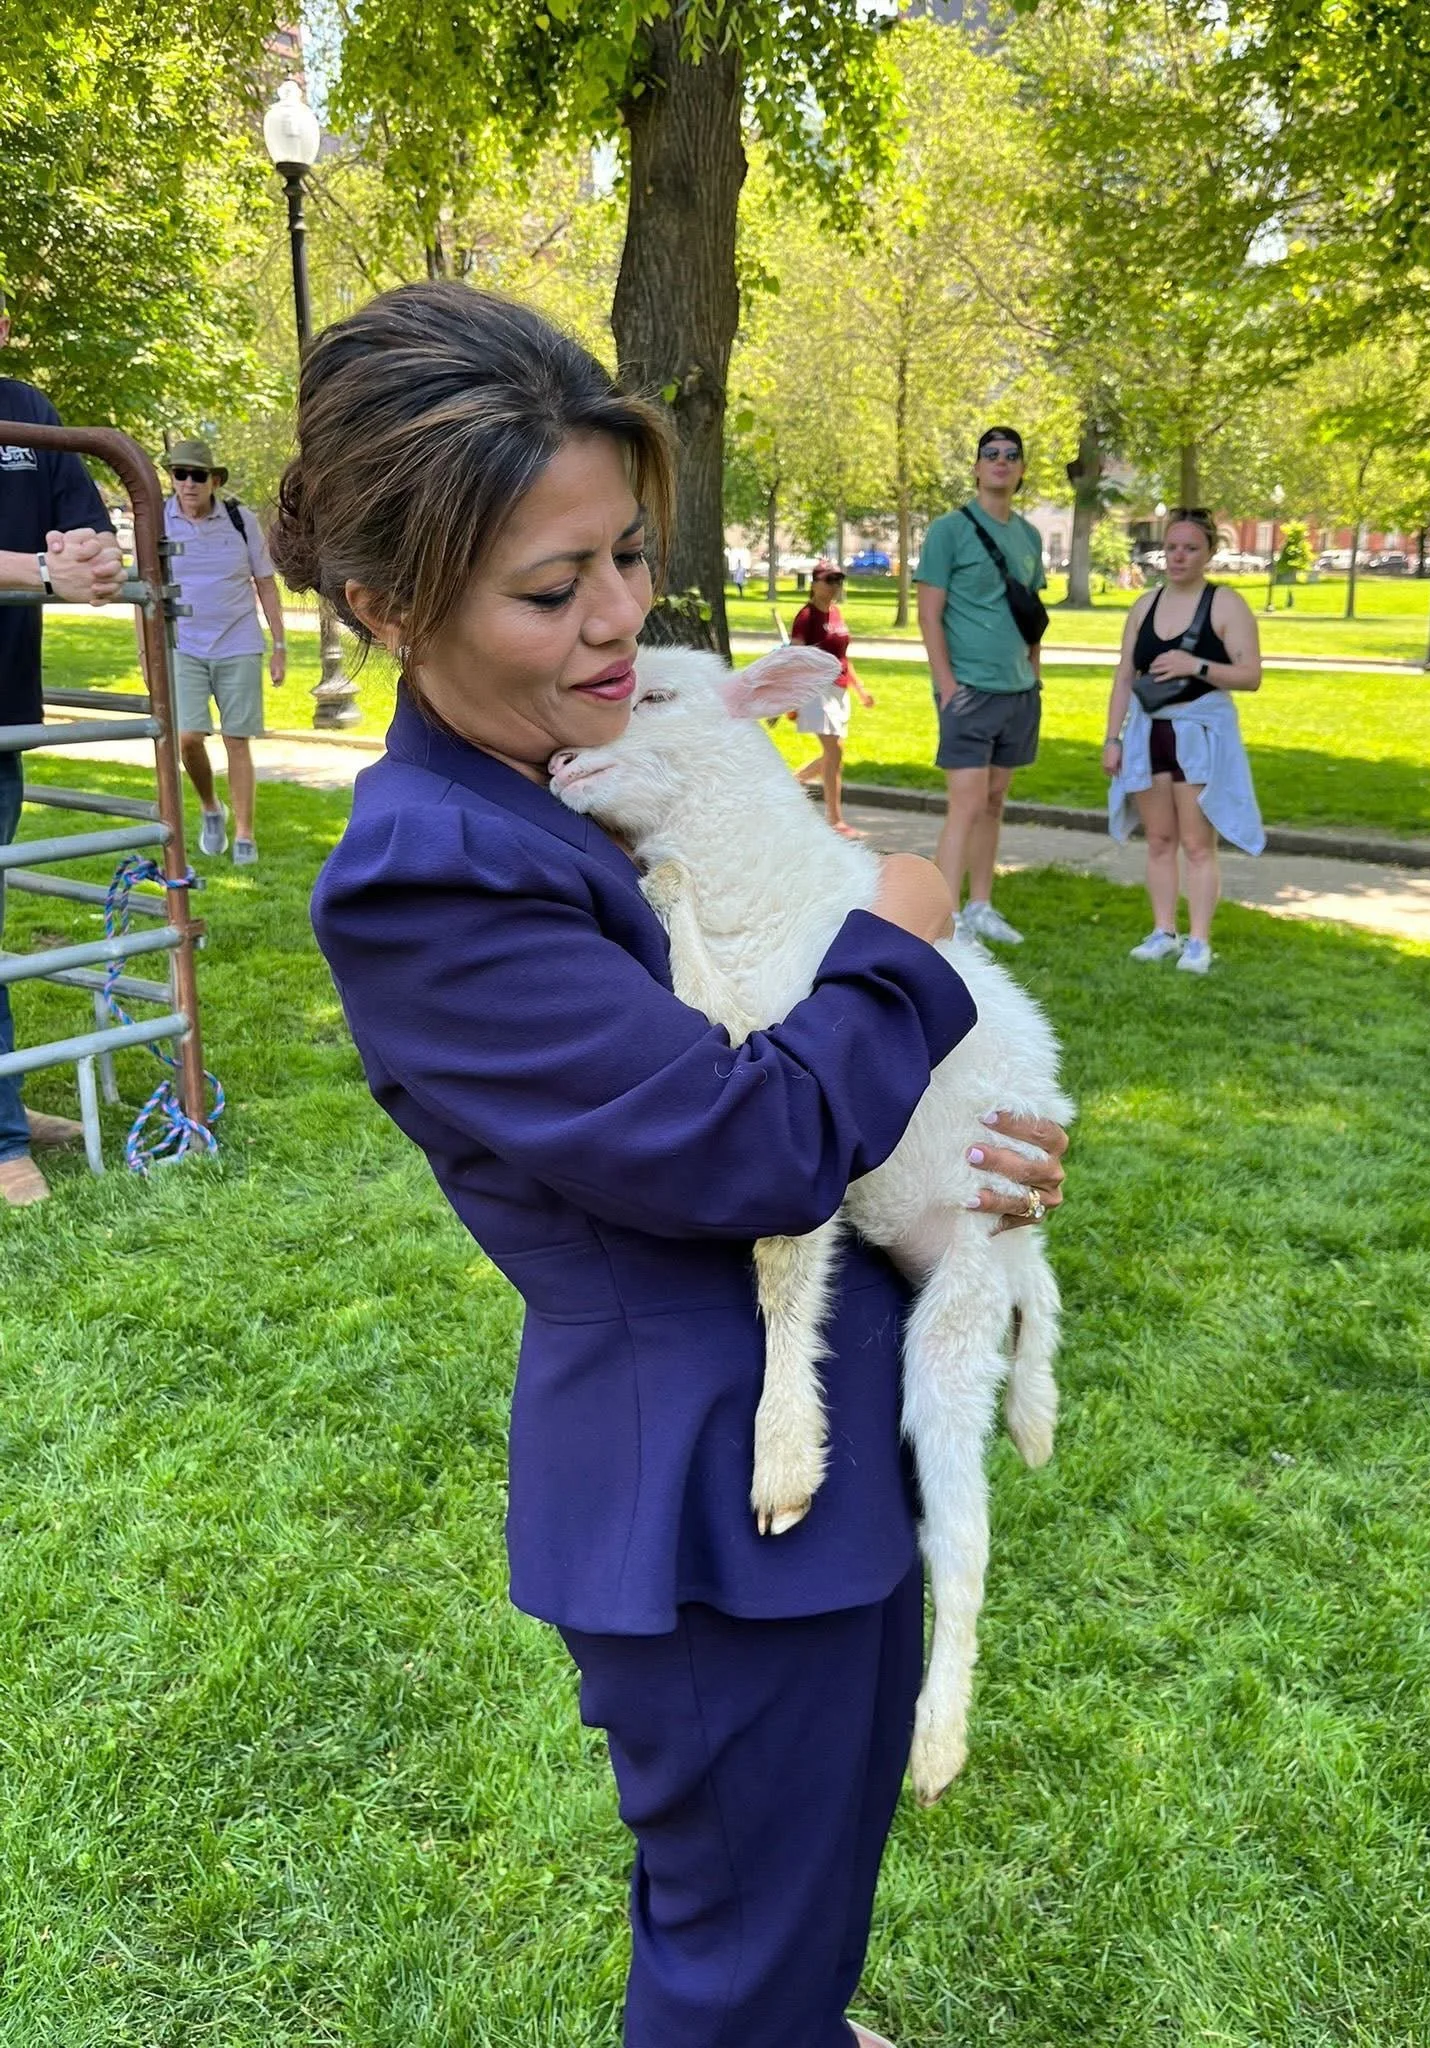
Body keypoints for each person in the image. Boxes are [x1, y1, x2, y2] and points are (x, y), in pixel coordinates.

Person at [289, 283, 1069, 2048]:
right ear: (387, 604)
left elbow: (839, 1095)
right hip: (709, 1494)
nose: (620, 620)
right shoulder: (435, 868)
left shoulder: (620, 768)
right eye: (550, 591)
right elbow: (753, 1141)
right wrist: (913, 923)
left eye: (629, 559)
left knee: (806, 1887)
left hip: (833, 1416)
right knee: (727, 1952)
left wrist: (968, 1150)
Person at [0, 286, 126, 1207]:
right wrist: (41, 569)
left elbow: (85, 529)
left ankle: (2, 1091)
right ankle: (6, 1143)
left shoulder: (31, 415)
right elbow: (44, 564)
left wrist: (94, 556)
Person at [1101, 507, 1264, 974]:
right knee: (1158, 838)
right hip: (1149, 734)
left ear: (1210, 552)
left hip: (1199, 734)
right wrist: (1112, 738)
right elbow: (1124, 675)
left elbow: (1251, 675)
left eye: (1190, 548)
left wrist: (1198, 667)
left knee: (1196, 842)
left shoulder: (1225, 604)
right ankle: (1162, 931)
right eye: (1172, 547)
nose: (1178, 557)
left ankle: (1199, 941)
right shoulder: (1145, 605)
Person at [915, 426, 1046, 948]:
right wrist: (947, 686)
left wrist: (1034, 672)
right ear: (975, 467)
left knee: (994, 801)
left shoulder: (1030, 535)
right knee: (966, 804)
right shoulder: (949, 531)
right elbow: (930, 615)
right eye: (990, 454)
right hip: (967, 688)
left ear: (1020, 470)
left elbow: (1032, 614)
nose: (1001, 462)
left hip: (1017, 690)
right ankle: (946, 918)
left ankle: (983, 905)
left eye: (1011, 456)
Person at [163, 437, 286, 866]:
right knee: (188, 737)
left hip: (238, 642)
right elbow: (148, 591)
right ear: (172, 478)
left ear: (214, 480)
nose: (189, 483)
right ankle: (211, 807)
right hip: (184, 646)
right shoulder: (158, 521)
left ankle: (246, 837)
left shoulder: (240, 520)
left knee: (237, 740)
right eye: (181, 474)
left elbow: (266, 583)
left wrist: (280, 646)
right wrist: (146, 651)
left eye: (198, 475)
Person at [791, 560, 876, 837]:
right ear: (815, 584)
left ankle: (793, 782)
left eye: (838, 581)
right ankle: (835, 820)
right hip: (817, 691)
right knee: (834, 752)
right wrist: (793, 699)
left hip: (839, 690)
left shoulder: (837, 614)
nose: (834, 586)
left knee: (835, 754)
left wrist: (860, 688)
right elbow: (794, 659)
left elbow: (843, 657)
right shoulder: (806, 617)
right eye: (829, 580)